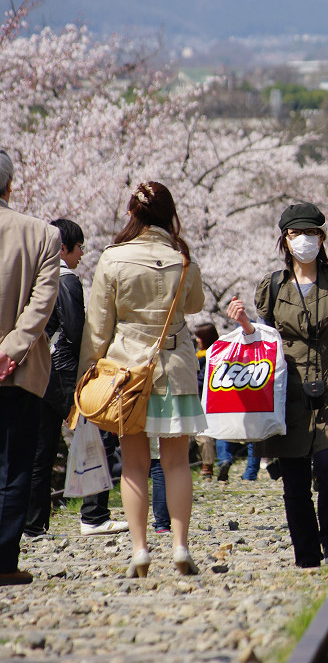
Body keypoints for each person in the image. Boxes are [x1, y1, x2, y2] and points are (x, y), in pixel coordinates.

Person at [228, 202, 328, 568]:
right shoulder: (273, 286)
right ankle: (306, 553)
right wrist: (246, 326)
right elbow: (261, 342)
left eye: (310, 233)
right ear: (285, 239)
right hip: (287, 386)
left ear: (322, 237)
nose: (303, 240)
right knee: (293, 475)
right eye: (296, 234)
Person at [80, 181, 206, 577]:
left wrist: (87, 375)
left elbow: (98, 326)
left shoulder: (113, 258)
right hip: (175, 369)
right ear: (170, 215)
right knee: (176, 463)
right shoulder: (182, 257)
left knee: (134, 465)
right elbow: (196, 304)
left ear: (133, 214)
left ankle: (139, 551)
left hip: (126, 374)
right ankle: (181, 545)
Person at [24, 220, 111, 537]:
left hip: (37, 368)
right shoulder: (68, 279)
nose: (82, 255)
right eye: (80, 248)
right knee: (97, 435)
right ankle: (94, 515)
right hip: (64, 369)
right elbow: (75, 331)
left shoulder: (34, 276)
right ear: (64, 248)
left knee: (41, 450)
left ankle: (33, 524)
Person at [0, 150, 61, 585]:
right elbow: (42, 305)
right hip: (18, 372)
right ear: (9, 185)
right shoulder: (42, 234)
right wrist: (12, 349)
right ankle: (3, 562)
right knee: (14, 465)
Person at [193, 323, 219, 480]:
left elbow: (203, 379)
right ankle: (209, 463)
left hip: (203, 397)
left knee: (203, 433)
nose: (196, 340)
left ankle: (207, 465)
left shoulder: (208, 356)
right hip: (206, 396)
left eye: (199, 337)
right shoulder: (204, 354)